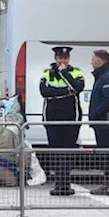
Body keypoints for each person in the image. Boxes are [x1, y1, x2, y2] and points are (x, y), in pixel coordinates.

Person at [40, 46, 85, 196]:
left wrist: (64, 73)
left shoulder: (75, 72)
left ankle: (66, 184)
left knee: (68, 152)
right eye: (60, 57)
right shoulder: (47, 73)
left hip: (71, 119)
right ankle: (58, 184)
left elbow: (78, 88)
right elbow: (45, 92)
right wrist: (66, 92)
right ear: (56, 58)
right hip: (52, 118)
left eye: (65, 58)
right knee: (56, 152)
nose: (62, 60)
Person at [87, 50, 109, 196]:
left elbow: (108, 99)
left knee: (106, 153)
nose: (91, 62)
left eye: (93, 59)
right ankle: (108, 184)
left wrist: (95, 113)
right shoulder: (102, 77)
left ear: (100, 61)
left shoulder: (106, 78)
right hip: (101, 121)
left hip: (104, 121)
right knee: (104, 153)